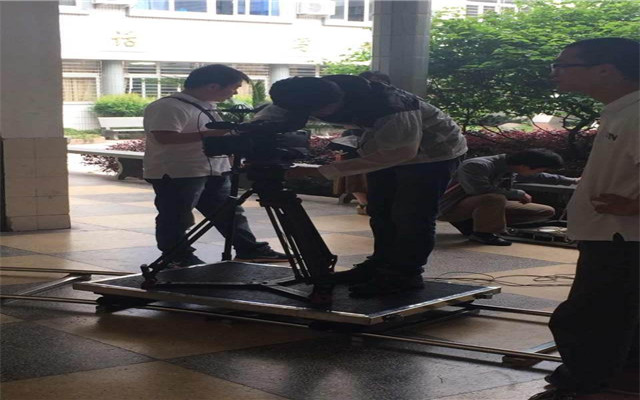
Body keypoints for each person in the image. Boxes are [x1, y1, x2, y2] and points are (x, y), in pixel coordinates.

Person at [258, 74, 467, 297]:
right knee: (380, 210)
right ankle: (380, 264)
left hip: (433, 154)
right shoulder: (305, 92)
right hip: (385, 148)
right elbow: (273, 115)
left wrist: (323, 171)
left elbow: (400, 152)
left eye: (319, 111)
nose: (316, 116)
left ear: (337, 100)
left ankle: (405, 274)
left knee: (411, 215)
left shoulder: (391, 106)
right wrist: (251, 131)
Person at [529, 38, 639, 400]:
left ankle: (579, 386)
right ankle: (621, 375)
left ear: (605, 70)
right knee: (618, 311)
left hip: (623, 235)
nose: (555, 73)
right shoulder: (621, 110)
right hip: (614, 233)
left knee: (589, 316)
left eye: (563, 65)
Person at [143, 64, 287, 267]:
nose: (234, 93)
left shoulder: (206, 105)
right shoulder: (168, 106)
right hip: (179, 172)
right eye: (234, 87)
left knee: (230, 212)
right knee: (176, 217)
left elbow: (218, 137)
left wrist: (230, 153)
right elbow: (164, 137)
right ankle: (177, 257)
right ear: (213, 86)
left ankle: (249, 249)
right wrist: (213, 134)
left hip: (214, 169)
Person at [438, 149, 579, 246]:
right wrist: (518, 194)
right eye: (540, 169)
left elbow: (540, 177)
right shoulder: (477, 165)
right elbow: (478, 190)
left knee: (545, 211)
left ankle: (476, 224)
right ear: (525, 166)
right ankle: (483, 234)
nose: (540, 172)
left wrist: (572, 181)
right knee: (495, 198)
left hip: (481, 206)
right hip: (450, 207)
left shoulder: (511, 167)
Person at [333, 71, 392, 215]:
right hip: (356, 142)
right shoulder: (352, 103)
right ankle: (364, 203)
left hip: (384, 146)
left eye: (382, 82)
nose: (378, 86)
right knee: (352, 167)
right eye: (373, 82)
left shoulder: (395, 104)